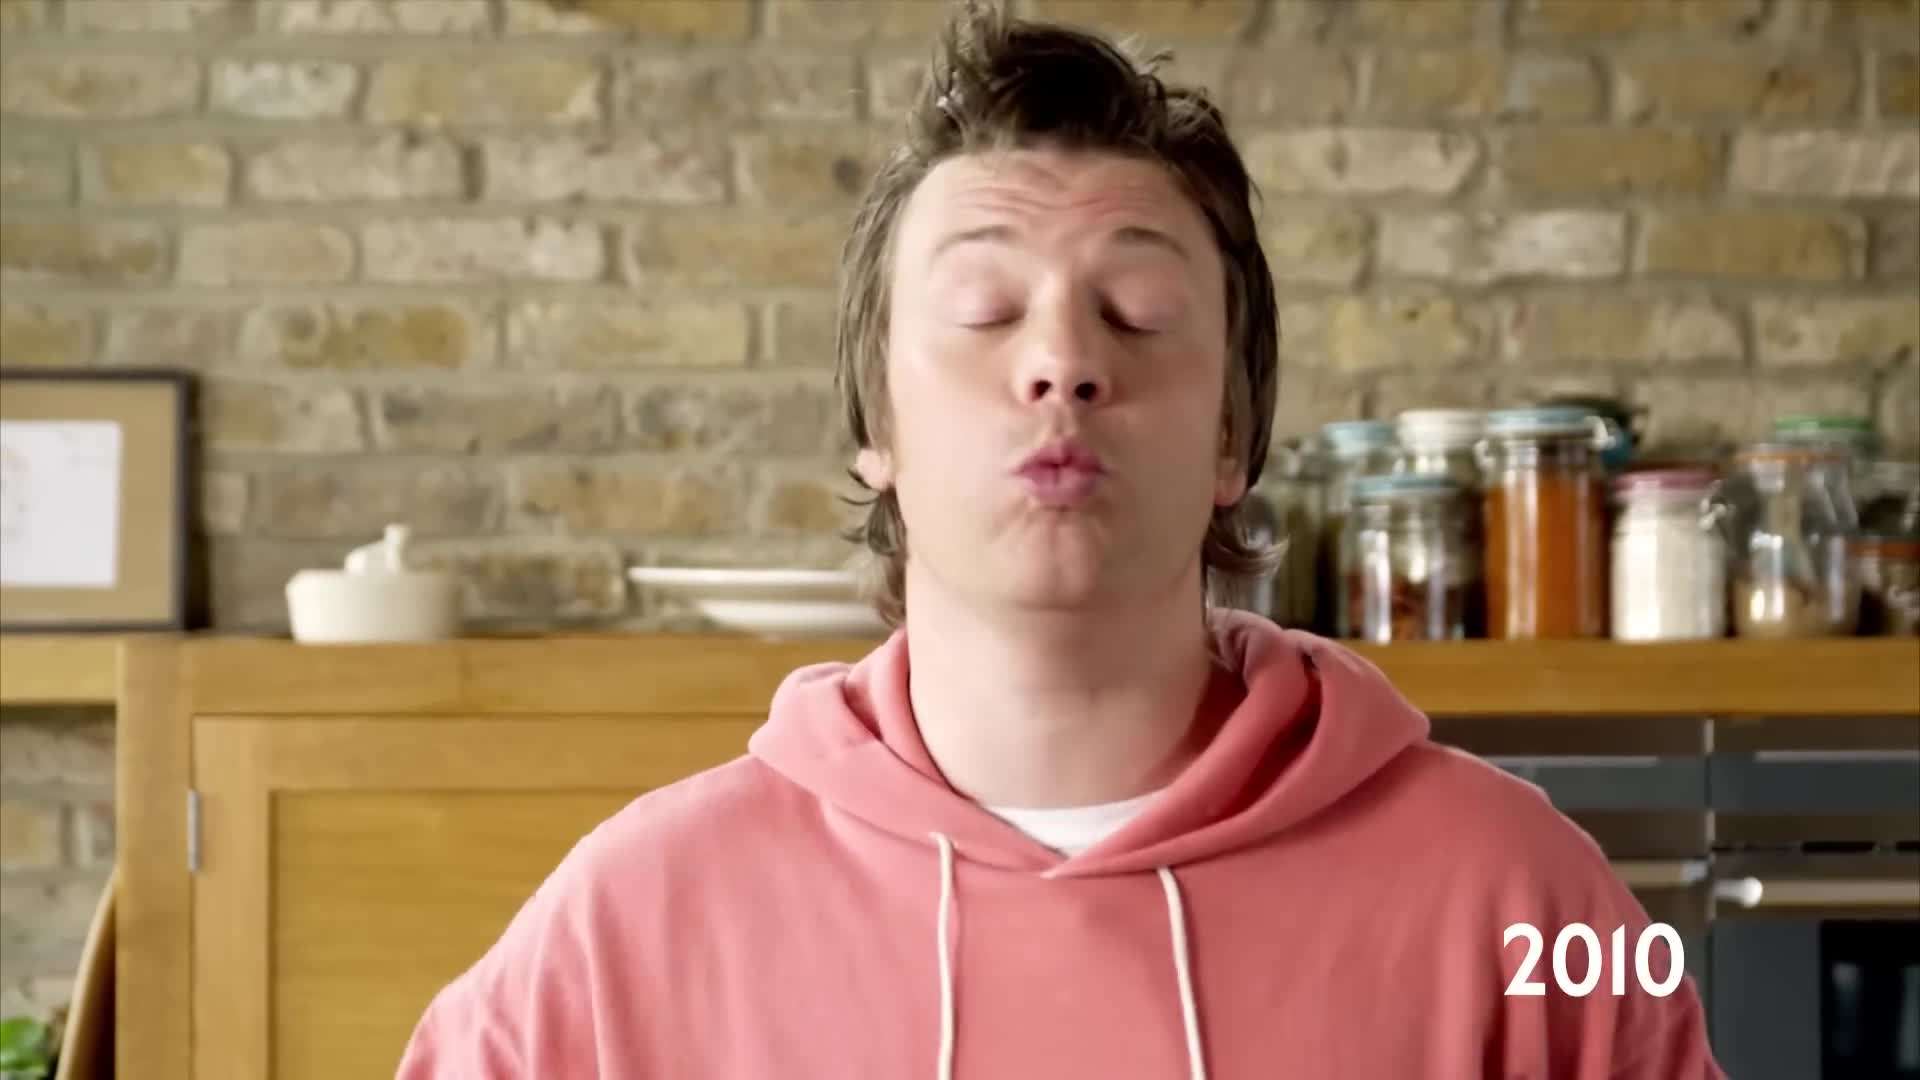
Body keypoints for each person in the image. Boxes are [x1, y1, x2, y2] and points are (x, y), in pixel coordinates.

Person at [396, 3, 1726, 1076]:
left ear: (1231, 438)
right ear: (879, 426)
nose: (1062, 364)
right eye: (982, 308)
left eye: (1138, 313)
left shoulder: (1525, 898)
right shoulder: (634, 920)